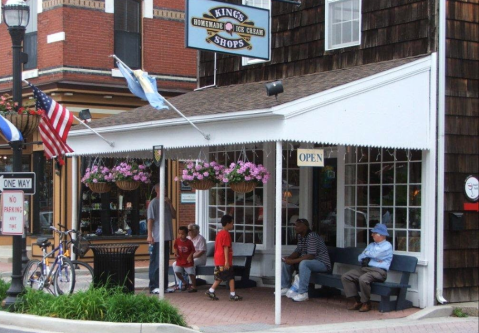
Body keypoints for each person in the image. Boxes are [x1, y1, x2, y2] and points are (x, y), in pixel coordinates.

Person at [341, 223, 393, 312]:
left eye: (374, 233)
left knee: (363, 279)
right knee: (346, 276)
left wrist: (368, 254)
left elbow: (376, 254)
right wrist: (371, 255)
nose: (372, 235)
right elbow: (360, 257)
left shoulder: (387, 245)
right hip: (366, 269)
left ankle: (366, 303)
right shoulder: (371, 245)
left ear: (381, 235)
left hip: (379, 271)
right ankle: (358, 301)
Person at [281, 218, 331, 302]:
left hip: (322, 264)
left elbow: (310, 256)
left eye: (297, 226)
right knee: (287, 263)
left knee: (304, 263)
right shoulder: (301, 236)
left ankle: (303, 293)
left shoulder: (312, 236)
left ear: (304, 227)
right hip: (311, 263)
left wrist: (292, 261)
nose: (295, 227)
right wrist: (288, 258)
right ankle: (285, 287)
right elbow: (298, 251)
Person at [147, 183, 177, 294]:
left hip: (166, 236)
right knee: (156, 262)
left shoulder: (166, 202)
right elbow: (150, 220)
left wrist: (169, 203)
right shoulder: (153, 203)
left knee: (164, 262)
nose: (164, 190)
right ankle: (154, 286)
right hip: (157, 237)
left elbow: (174, 215)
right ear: (157, 190)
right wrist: (150, 235)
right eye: (162, 189)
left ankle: (163, 286)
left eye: (165, 188)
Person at [205, 215, 242, 301]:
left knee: (220, 276)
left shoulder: (219, 233)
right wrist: (226, 261)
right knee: (230, 276)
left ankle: (211, 290)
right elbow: (226, 247)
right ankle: (232, 294)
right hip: (224, 259)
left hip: (218, 258)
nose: (233, 225)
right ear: (228, 224)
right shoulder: (226, 234)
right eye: (232, 223)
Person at [173, 226, 197, 292]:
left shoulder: (189, 242)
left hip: (188, 261)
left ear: (186, 234)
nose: (181, 235)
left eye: (182, 234)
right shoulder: (177, 241)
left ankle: (194, 286)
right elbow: (175, 247)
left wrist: (190, 256)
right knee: (177, 271)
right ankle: (184, 282)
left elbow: (193, 250)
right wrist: (176, 253)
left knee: (191, 273)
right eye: (179, 234)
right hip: (180, 259)